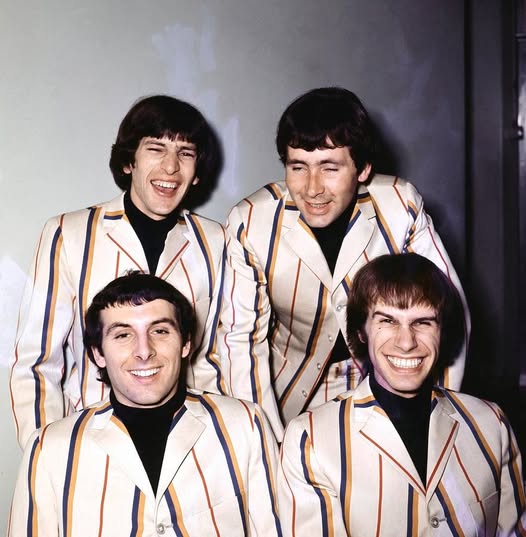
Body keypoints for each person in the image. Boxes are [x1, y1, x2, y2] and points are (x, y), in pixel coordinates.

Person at [219, 87, 469, 439]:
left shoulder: (401, 205)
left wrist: (440, 415)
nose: (312, 188)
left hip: (389, 379)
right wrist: (265, 441)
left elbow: (448, 313)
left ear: (363, 168)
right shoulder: (251, 221)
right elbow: (239, 342)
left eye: (330, 168)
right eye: (298, 167)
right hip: (288, 396)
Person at [10, 95, 226, 449]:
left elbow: (213, 358)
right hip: (93, 437)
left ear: (197, 169)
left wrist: (218, 443)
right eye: (156, 148)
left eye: (185, 153)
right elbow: (36, 361)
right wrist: (46, 451)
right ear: (129, 161)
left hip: (189, 441)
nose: (171, 167)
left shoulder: (216, 240)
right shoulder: (70, 233)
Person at [8, 273, 282, 536]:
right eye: (123, 335)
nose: (144, 351)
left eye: (160, 331)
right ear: (98, 353)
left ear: (186, 343)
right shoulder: (49, 448)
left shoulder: (246, 425)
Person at [277, 253, 526, 536]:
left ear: (442, 331)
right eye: (388, 321)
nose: (406, 342)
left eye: (423, 322)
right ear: (361, 331)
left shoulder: (491, 424)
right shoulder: (310, 439)